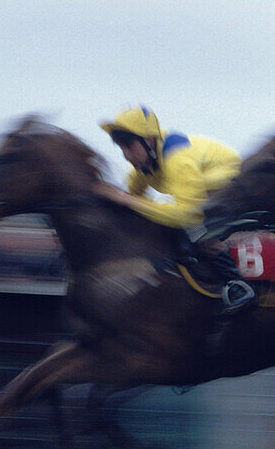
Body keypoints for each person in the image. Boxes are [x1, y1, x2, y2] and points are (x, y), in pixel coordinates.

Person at [96, 105, 254, 312]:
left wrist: (129, 201)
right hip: (204, 193)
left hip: (231, 184)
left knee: (194, 228)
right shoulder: (144, 164)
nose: (126, 155)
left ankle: (237, 285)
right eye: (121, 148)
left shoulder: (178, 158)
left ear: (149, 140)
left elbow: (185, 213)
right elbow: (128, 197)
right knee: (157, 218)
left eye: (129, 146)